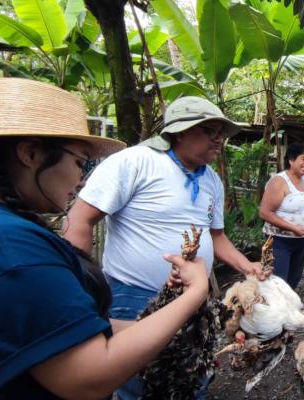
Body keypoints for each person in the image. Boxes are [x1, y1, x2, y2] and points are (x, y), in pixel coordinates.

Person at [0, 78, 210, 399]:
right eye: (80, 162)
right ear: (29, 153)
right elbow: (89, 375)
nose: (82, 178)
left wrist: (169, 311)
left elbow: (73, 330)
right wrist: (196, 291)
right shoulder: (15, 244)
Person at [64, 96, 266, 399]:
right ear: (181, 131)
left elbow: (217, 237)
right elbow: (79, 220)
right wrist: (83, 291)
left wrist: (246, 265)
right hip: (135, 296)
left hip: (193, 300)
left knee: (189, 376)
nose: (219, 139)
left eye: (222, 133)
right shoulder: (136, 161)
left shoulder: (211, 179)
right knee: (139, 384)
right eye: (210, 130)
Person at [259, 143, 304, 288]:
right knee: (277, 284)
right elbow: (264, 212)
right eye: (303, 158)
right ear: (291, 160)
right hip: (280, 242)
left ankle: (287, 309)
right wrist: (292, 227)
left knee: (292, 281)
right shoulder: (279, 181)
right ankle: (274, 310)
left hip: (301, 242)